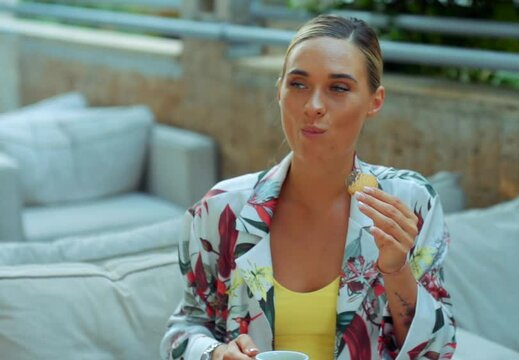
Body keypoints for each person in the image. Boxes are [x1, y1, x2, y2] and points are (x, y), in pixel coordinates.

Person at [161, 14, 456, 360]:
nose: (313, 106)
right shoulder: (221, 209)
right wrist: (215, 353)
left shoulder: (411, 203)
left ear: (374, 101)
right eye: (298, 84)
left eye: (339, 88)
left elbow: (438, 351)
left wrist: (396, 269)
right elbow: (183, 330)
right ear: (280, 92)